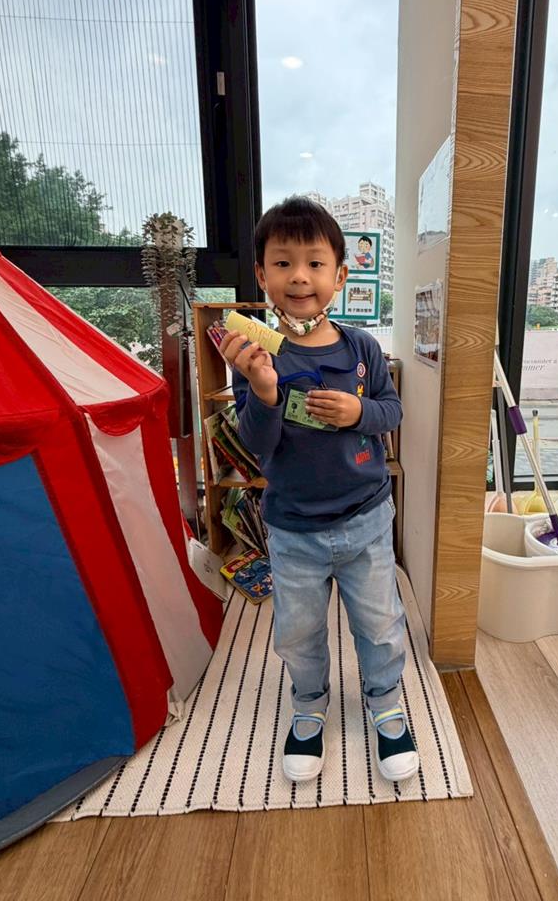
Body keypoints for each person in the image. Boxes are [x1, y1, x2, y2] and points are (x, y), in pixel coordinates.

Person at [218, 196, 418, 785]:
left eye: (314, 263)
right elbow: (257, 443)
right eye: (283, 263)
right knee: (298, 631)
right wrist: (264, 390)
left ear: (340, 275)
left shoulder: (361, 348)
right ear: (262, 276)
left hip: (366, 519)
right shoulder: (255, 352)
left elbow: (392, 410)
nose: (299, 276)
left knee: (380, 623)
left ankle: (385, 701)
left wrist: (359, 411)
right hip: (293, 527)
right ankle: (309, 704)